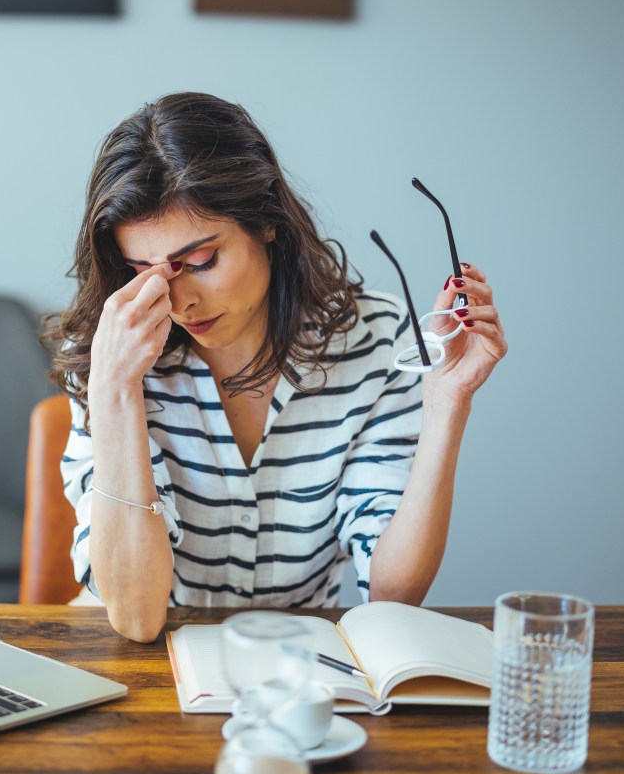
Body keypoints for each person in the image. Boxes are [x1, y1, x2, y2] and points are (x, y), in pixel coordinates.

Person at [44, 92, 506, 643]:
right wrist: (116, 390)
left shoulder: (375, 340)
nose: (178, 301)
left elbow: (393, 595)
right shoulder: (108, 356)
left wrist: (447, 403)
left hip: (300, 672)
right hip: (139, 671)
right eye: (143, 271)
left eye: (200, 262)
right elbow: (137, 617)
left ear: (265, 223)